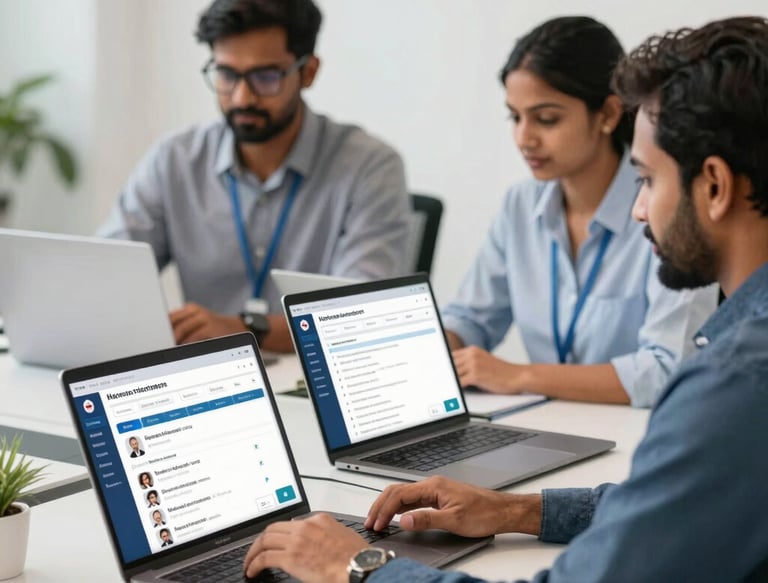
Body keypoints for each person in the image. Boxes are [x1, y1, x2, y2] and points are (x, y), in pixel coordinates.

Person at [242, 16, 768, 582]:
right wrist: (517, 509)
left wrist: (356, 566)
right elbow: (675, 504)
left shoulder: (736, 383)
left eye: (648, 180)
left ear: (713, 186)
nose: (640, 209)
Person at [97, 0, 410, 353]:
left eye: (266, 77)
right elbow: (107, 276)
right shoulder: (175, 160)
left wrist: (241, 329)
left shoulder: (369, 167)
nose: (243, 97)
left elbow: (358, 316)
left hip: (312, 380)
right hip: (208, 375)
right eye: (227, 75)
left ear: (308, 72)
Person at [440, 16, 717, 407]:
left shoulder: (667, 209)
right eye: (515, 117)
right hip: (543, 427)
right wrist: (436, 350)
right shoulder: (520, 205)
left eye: (546, 119)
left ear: (607, 113)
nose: (524, 138)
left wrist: (521, 375)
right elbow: (470, 319)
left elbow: (668, 369)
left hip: (633, 438)